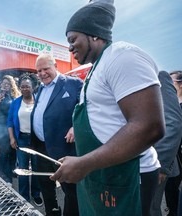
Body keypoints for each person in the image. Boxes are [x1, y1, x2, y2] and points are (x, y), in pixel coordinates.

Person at [50, 1, 165, 215]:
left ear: (93, 34)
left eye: (73, 39)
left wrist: (85, 163)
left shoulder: (122, 56)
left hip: (128, 178)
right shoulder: (96, 69)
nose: (70, 47)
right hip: (102, 175)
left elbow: (149, 126)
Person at [31, 53, 83, 216]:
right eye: (38, 71)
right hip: (41, 148)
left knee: (71, 192)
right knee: (46, 188)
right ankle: (52, 213)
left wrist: (76, 126)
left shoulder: (74, 83)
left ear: (56, 66)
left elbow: (87, 108)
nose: (42, 73)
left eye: (46, 68)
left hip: (63, 149)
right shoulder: (40, 88)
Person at [147, 70, 182, 216]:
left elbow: (173, 124)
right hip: (133, 164)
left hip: (156, 162)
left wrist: (161, 165)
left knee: (150, 209)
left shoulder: (158, 76)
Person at [7, 72, 43, 206]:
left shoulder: (39, 101)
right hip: (21, 139)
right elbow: (10, 122)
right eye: (22, 87)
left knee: (36, 168)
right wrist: (12, 138)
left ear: (33, 87)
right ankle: (24, 196)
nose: (24, 89)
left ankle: (36, 194)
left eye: (27, 86)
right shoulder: (16, 102)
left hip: (36, 140)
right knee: (22, 168)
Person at [0, 75, 21, 184]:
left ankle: (11, 171)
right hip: (0, 127)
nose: (5, 86)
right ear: (1, 85)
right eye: (3, 84)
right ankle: (3, 175)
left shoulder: (16, 96)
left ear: (12, 85)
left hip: (13, 127)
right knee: (4, 151)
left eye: (8, 84)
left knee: (13, 151)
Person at [163, 70, 182, 216]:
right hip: (172, 156)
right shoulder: (171, 101)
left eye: (173, 81)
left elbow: (174, 126)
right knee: (170, 192)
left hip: (175, 154)